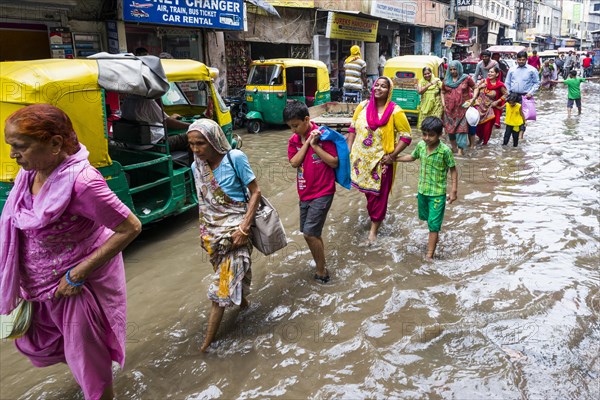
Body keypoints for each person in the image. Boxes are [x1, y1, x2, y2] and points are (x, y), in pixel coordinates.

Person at [1, 104, 142, 399]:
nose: (13, 155)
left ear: (54, 144)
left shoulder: (84, 183)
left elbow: (130, 227)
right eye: (11, 147)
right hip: (40, 288)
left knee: (92, 369)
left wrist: (78, 274)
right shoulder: (29, 174)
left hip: (74, 289)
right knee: (47, 344)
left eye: (20, 147)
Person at [186, 119, 260, 352]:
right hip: (214, 234)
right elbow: (204, 204)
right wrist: (204, 233)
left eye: (201, 143)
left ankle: (206, 345)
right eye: (191, 144)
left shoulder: (235, 158)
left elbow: (255, 192)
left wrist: (243, 229)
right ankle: (245, 304)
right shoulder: (196, 167)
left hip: (237, 230)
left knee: (220, 289)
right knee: (227, 276)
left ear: (215, 141)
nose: (196, 149)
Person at [346, 76, 412, 242]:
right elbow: (352, 128)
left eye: (383, 86)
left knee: (379, 196)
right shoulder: (363, 106)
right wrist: (348, 150)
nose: (378, 89)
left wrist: (392, 156)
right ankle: (375, 217)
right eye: (377, 85)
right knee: (369, 195)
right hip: (360, 162)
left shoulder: (395, 111)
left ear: (389, 91)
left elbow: (406, 137)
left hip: (381, 162)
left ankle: (373, 231)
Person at [285, 101, 338, 283]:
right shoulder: (294, 141)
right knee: (312, 233)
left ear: (307, 119)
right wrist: (308, 142)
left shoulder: (323, 136)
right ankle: (321, 263)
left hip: (323, 191)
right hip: (304, 192)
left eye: (296, 125)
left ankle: (322, 272)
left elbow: (333, 162)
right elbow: (294, 162)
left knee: (309, 233)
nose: (293, 130)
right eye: (290, 127)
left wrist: (316, 146)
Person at [396, 116, 458, 261]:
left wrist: (453, 190)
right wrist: (395, 158)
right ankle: (435, 240)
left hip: (437, 195)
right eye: (424, 134)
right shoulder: (421, 146)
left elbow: (453, 169)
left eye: (431, 135)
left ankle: (429, 256)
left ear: (440, 134)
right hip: (422, 192)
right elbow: (412, 157)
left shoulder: (445, 151)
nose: (427, 138)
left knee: (433, 226)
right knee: (427, 220)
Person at [120, 96, 190, 151]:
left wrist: (170, 118)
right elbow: (168, 123)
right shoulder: (147, 102)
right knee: (191, 136)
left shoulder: (127, 100)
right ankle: (196, 167)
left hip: (133, 145)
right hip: (154, 146)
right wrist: (191, 125)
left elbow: (148, 117)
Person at [442, 60, 476, 155]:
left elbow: (475, 87)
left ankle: (461, 151)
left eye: (455, 69)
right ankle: (454, 149)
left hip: (463, 109)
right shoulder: (446, 80)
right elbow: (442, 92)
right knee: (450, 130)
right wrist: (443, 104)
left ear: (459, 69)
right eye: (451, 69)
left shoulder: (466, 78)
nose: (453, 71)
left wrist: (473, 99)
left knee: (462, 130)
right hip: (449, 109)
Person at [469, 66, 508, 145]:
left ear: (497, 74)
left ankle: (485, 145)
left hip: (490, 109)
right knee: (478, 128)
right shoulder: (483, 82)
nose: (489, 73)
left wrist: (497, 101)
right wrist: (480, 87)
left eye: (492, 72)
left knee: (487, 129)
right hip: (479, 108)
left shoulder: (500, 85)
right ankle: (480, 139)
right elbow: (474, 90)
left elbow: (506, 94)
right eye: (489, 72)